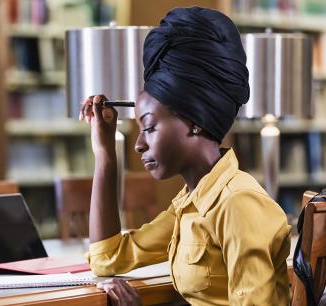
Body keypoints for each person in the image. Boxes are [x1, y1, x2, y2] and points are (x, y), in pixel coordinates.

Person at [79, 7, 291, 306]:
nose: (139, 144)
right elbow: (108, 258)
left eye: (149, 127)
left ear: (196, 122)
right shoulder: (191, 202)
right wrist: (104, 156)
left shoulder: (237, 204)